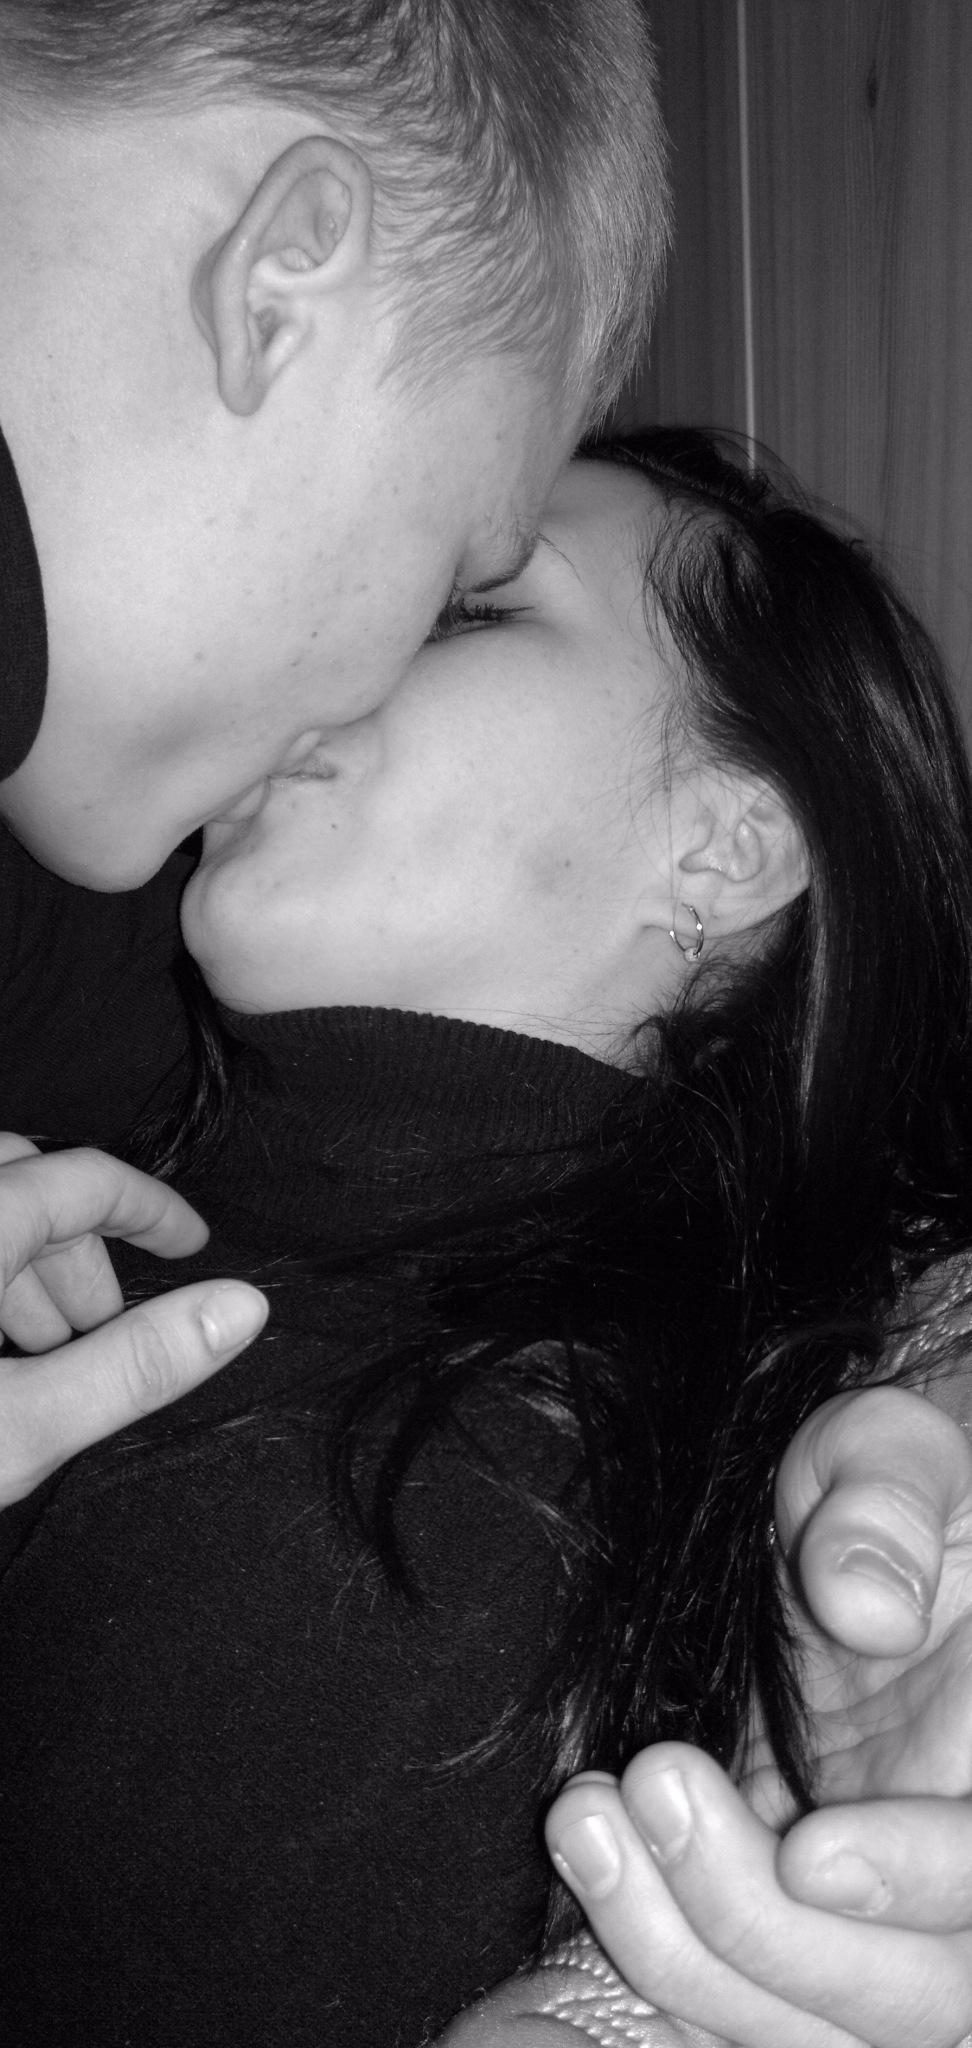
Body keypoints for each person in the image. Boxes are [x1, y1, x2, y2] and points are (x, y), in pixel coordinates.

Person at [6, 432, 972, 2047]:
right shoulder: (109, 1160)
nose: (330, 639)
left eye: (468, 610)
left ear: (724, 845)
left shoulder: (456, 1528)